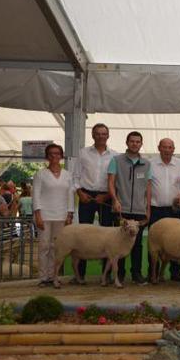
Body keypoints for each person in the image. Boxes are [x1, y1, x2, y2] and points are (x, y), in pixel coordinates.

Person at [73, 123, 118, 281]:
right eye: (97, 133)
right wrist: (80, 192)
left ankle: (105, 276)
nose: (101, 136)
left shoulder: (115, 155)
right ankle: (80, 275)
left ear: (108, 135)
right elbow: (76, 176)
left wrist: (106, 196)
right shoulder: (83, 153)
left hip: (106, 197)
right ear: (92, 135)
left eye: (104, 133)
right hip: (86, 196)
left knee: (108, 236)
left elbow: (116, 181)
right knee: (83, 236)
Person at [107, 131, 152, 285]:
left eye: (138, 141)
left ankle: (137, 274)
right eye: (132, 141)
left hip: (139, 210)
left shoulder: (147, 164)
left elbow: (148, 187)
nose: (135, 144)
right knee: (118, 244)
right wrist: (115, 199)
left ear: (141, 144)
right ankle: (119, 274)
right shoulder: (116, 160)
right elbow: (111, 182)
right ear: (127, 143)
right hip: (122, 209)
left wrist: (148, 209)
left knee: (137, 244)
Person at [32, 144, 74, 287]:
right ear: (47, 156)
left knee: (57, 247)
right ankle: (43, 277)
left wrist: (70, 214)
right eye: (51, 154)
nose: (54, 156)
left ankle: (53, 275)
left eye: (57, 153)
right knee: (44, 246)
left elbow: (70, 195)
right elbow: (36, 195)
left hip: (61, 216)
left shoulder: (68, 175)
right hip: (44, 215)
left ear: (61, 156)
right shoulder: (40, 174)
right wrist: (37, 215)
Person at [150, 138, 180, 283]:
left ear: (174, 149)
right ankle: (152, 273)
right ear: (159, 148)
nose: (167, 150)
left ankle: (175, 272)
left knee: (177, 241)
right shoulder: (150, 164)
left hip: (173, 209)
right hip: (155, 209)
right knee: (154, 243)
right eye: (164, 147)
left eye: (170, 147)